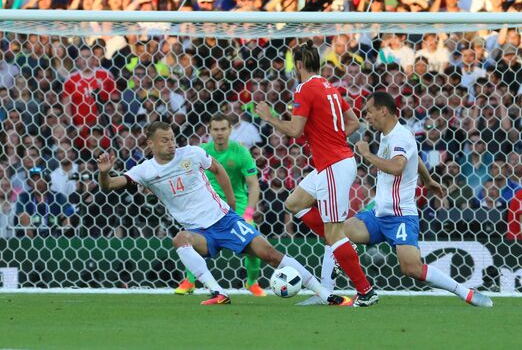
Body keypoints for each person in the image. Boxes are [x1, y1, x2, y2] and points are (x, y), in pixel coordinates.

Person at [98, 121, 349, 306]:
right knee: (180, 240)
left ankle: (324, 293)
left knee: (270, 254)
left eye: (172, 138)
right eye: (164, 140)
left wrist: (231, 204)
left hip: (224, 220)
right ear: (150, 144)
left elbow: (218, 169)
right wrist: (104, 172)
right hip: (198, 232)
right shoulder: (145, 171)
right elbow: (109, 185)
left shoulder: (192, 154)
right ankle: (218, 292)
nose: (171, 143)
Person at [343, 91, 493, 307]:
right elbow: (415, 157)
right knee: (337, 232)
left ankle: (465, 292)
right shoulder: (392, 134)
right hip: (379, 213)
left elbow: (397, 167)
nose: (367, 116)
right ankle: (333, 293)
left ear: (383, 110)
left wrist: (366, 154)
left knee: (411, 268)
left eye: (369, 111)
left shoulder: (400, 136)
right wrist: (428, 179)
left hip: (401, 216)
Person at [256, 40, 376, 308]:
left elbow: (295, 131)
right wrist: (333, 139)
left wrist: (269, 116)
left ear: (298, 65)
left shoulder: (304, 88)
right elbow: (354, 122)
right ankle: (340, 244)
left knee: (334, 234)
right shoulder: (330, 87)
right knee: (294, 203)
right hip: (331, 163)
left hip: (334, 165)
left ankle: (366, 291)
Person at [176, 113, 266, 297]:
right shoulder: (201, 151)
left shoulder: (240, 152)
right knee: (191, 238)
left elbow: (253, 184)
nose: (219, 133)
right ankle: (190, 281)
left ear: (230, 130)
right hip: (209, 207)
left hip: (237, 207)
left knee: (254, 241)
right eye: (215, 129)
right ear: (209, 131)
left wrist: (248, 212)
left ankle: (252, 282)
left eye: (223, 129)